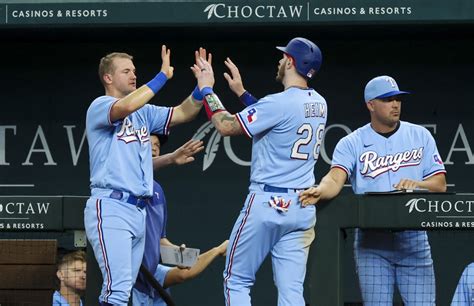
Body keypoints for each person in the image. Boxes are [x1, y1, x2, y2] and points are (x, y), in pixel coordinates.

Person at [191, 38, 327, 306]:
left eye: (283, 56)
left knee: (236, 279)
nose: (280, 60)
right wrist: (242, 94)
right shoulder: (320, 103)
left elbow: (227, 126)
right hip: (302, 206)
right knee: (291, 292)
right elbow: (279, 119)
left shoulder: (277, 102)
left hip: (267, 203)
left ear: (290, 62)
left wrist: (207, 89)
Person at [299, 75, 447, 305]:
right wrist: (321, 189)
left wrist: (418, 184)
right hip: (372, 244)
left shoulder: (420, 135)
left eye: (398, 99)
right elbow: (335, 179)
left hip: (414, 240)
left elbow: (440, 184)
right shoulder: (352, 142)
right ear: (371, 104)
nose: (395, 104)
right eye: (387, 99)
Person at [84, 46, 203, 305]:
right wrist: (161, 76)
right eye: (125, 71)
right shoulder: (100, 106)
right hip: (111, 205)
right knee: (115, 291)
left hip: (138, 211)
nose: (133, 75)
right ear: (108, 78)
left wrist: (202, 88)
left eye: (134, 71)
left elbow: (183, 112)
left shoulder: (144, 113)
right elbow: (125, 105)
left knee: (124, 290)